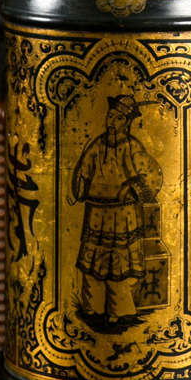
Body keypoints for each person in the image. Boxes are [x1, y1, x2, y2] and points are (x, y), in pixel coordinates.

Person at [69, 94, 162, 330]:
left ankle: (120, 312)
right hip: (97, 212)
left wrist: (130, 188)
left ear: (126, 122)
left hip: (123, 215)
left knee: (120, 267)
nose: (112, 121)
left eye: (119, 118)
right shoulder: (98, 146)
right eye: (111, 115)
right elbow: (83, 171)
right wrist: (80, 186)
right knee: (92, 264)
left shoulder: (132, 147)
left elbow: (153, 175)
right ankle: (94, 309)